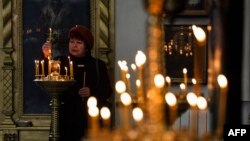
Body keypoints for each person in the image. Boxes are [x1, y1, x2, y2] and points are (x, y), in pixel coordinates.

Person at [42, 25, 113, 141]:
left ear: (86, 47)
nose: (74, 45)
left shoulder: (97, 65)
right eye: (72, 42)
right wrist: (46, 55)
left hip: (89, 119)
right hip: (65, 118)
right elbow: (46, 78)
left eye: (79, 43)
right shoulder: (60, 62)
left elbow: (107, 91)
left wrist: (92, 91)